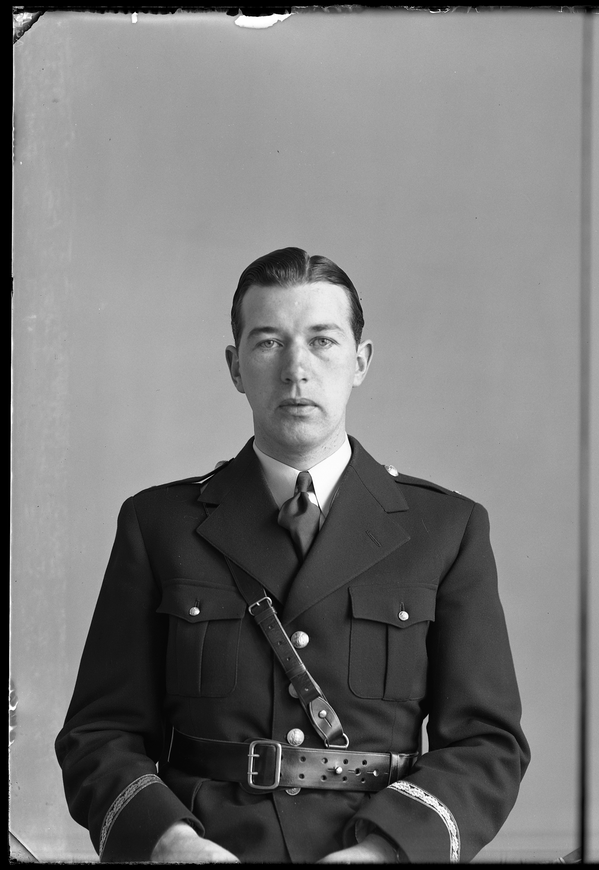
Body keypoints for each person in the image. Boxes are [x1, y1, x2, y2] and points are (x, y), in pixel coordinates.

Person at [56, 247, 529, 863]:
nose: (296, 370)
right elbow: (99, 734)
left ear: (360, 362)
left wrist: (387, 851)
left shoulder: (445, 529)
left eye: (322, 341)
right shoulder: (159, 524)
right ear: (235, 366)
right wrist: (171, 843)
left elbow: (487, 745)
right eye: (269, 343)